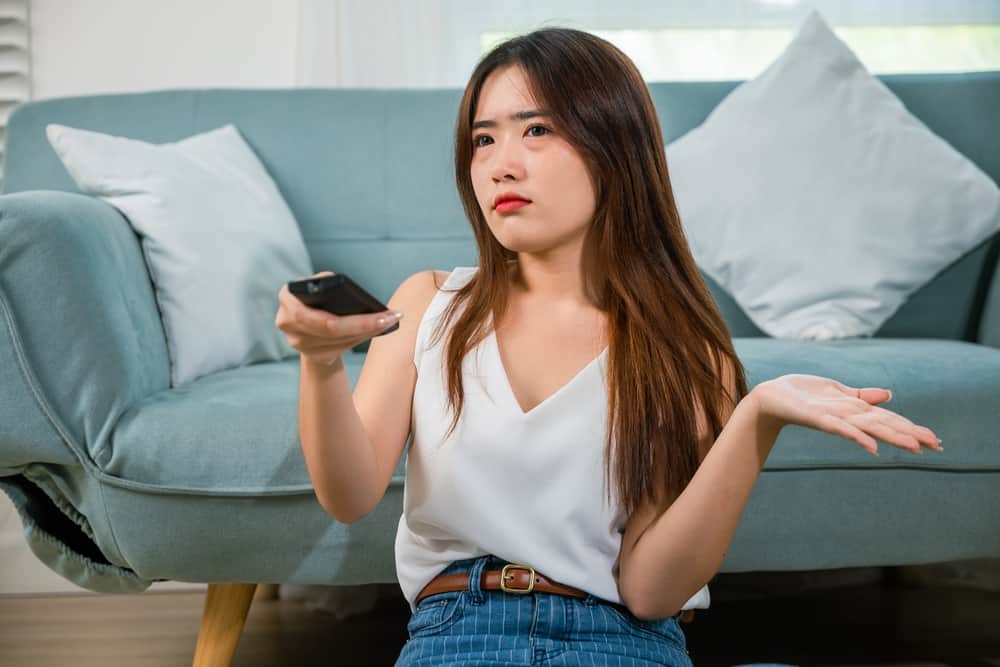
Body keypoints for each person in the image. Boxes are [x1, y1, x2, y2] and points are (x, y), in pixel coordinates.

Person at [275, 27, 942, 667]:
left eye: (536, 129)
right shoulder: (429, 304)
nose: (501, 164)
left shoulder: (681, 351)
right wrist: (321, 360)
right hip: (457, 633)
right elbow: (349, 492)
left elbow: (651, 589)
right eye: (484, 138)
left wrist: (756, 417)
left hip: (620, 640)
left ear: (613, 145)